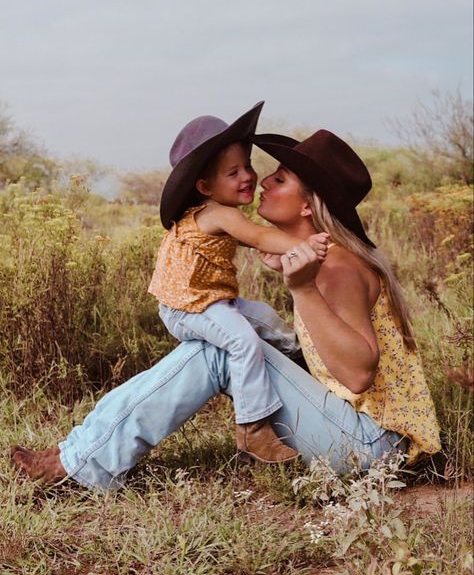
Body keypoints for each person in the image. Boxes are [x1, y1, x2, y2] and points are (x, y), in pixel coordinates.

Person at [11, 121, 441, 490]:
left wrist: (304, 290)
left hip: (368, 448)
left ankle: (81, 461)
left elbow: (359, 374)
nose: (264, 182)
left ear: (308, 205)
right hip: (359, 434)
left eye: (281, 178)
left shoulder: (339, 268)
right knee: (232, 330)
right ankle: (80, 451)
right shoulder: (326, 259)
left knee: (217, 348)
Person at [149, 101, 329, 464]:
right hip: (188, 308)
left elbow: (261, 245)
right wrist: (305, 242)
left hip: (209, 301)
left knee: (265, 319)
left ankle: (302, 364)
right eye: (232, 173)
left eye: (247, 166)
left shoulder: (211, 211)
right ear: (205, 186)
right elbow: (260, 237)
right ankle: (253, 429)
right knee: (244, 341)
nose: (247, 176)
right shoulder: (217, 213)